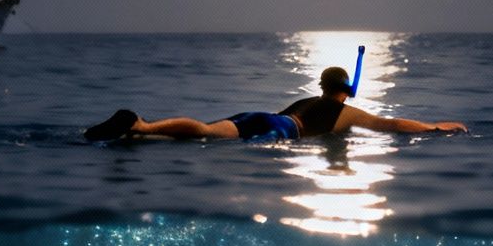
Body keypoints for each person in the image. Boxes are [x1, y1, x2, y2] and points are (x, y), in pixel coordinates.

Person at [84, 66, 465, 142]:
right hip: (279, 129)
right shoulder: (344, 111)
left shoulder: (307, 99)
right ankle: (140, 124)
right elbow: (392, 124)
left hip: (258, 116)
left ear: (322, 86)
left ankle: (143, 132)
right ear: (347, 89)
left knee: (202, 130)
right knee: (203, 134)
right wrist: (435, 128)